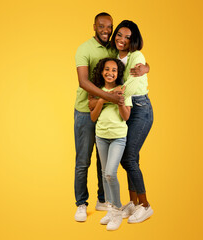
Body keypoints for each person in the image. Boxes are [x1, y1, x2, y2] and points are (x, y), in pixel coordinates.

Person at [74, 12, 149, 222]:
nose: (107, 31)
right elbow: (83, 81)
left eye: (110, 27)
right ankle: (82, 203)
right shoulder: (85, 49)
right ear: (94, 26)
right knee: (83, 161)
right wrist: (108, 97)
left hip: (121, 109)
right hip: (85, 109)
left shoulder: (116, 49)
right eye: (102, 26)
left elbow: (137, 61)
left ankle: (108, 201)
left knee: (109, 161)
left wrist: (147, 68)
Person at [109, 20, 154, 223]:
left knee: (129, 157)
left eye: (127, 37)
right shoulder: (114, 56)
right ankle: (134, 203)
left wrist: (112, 93)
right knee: (129, 158)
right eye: (119, 34)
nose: (122, 39)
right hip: (125, 107)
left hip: (140, 109)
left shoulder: (137, 56)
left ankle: (146, 206)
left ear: (133, 39)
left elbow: (134, 85)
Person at [90, 58, 131, 231]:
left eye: (114, 70)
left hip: (118, 137)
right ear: (101, 71)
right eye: (107, 69)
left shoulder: (123, 90)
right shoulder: (97, 91)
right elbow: (93, 117)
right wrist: (103, 100)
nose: (110, 73)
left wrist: (120, 102)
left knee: (110, 174)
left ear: (118, 73)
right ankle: (109, 208)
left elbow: (126, 116)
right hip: (101, 136)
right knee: (103, 173)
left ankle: (117, 211)